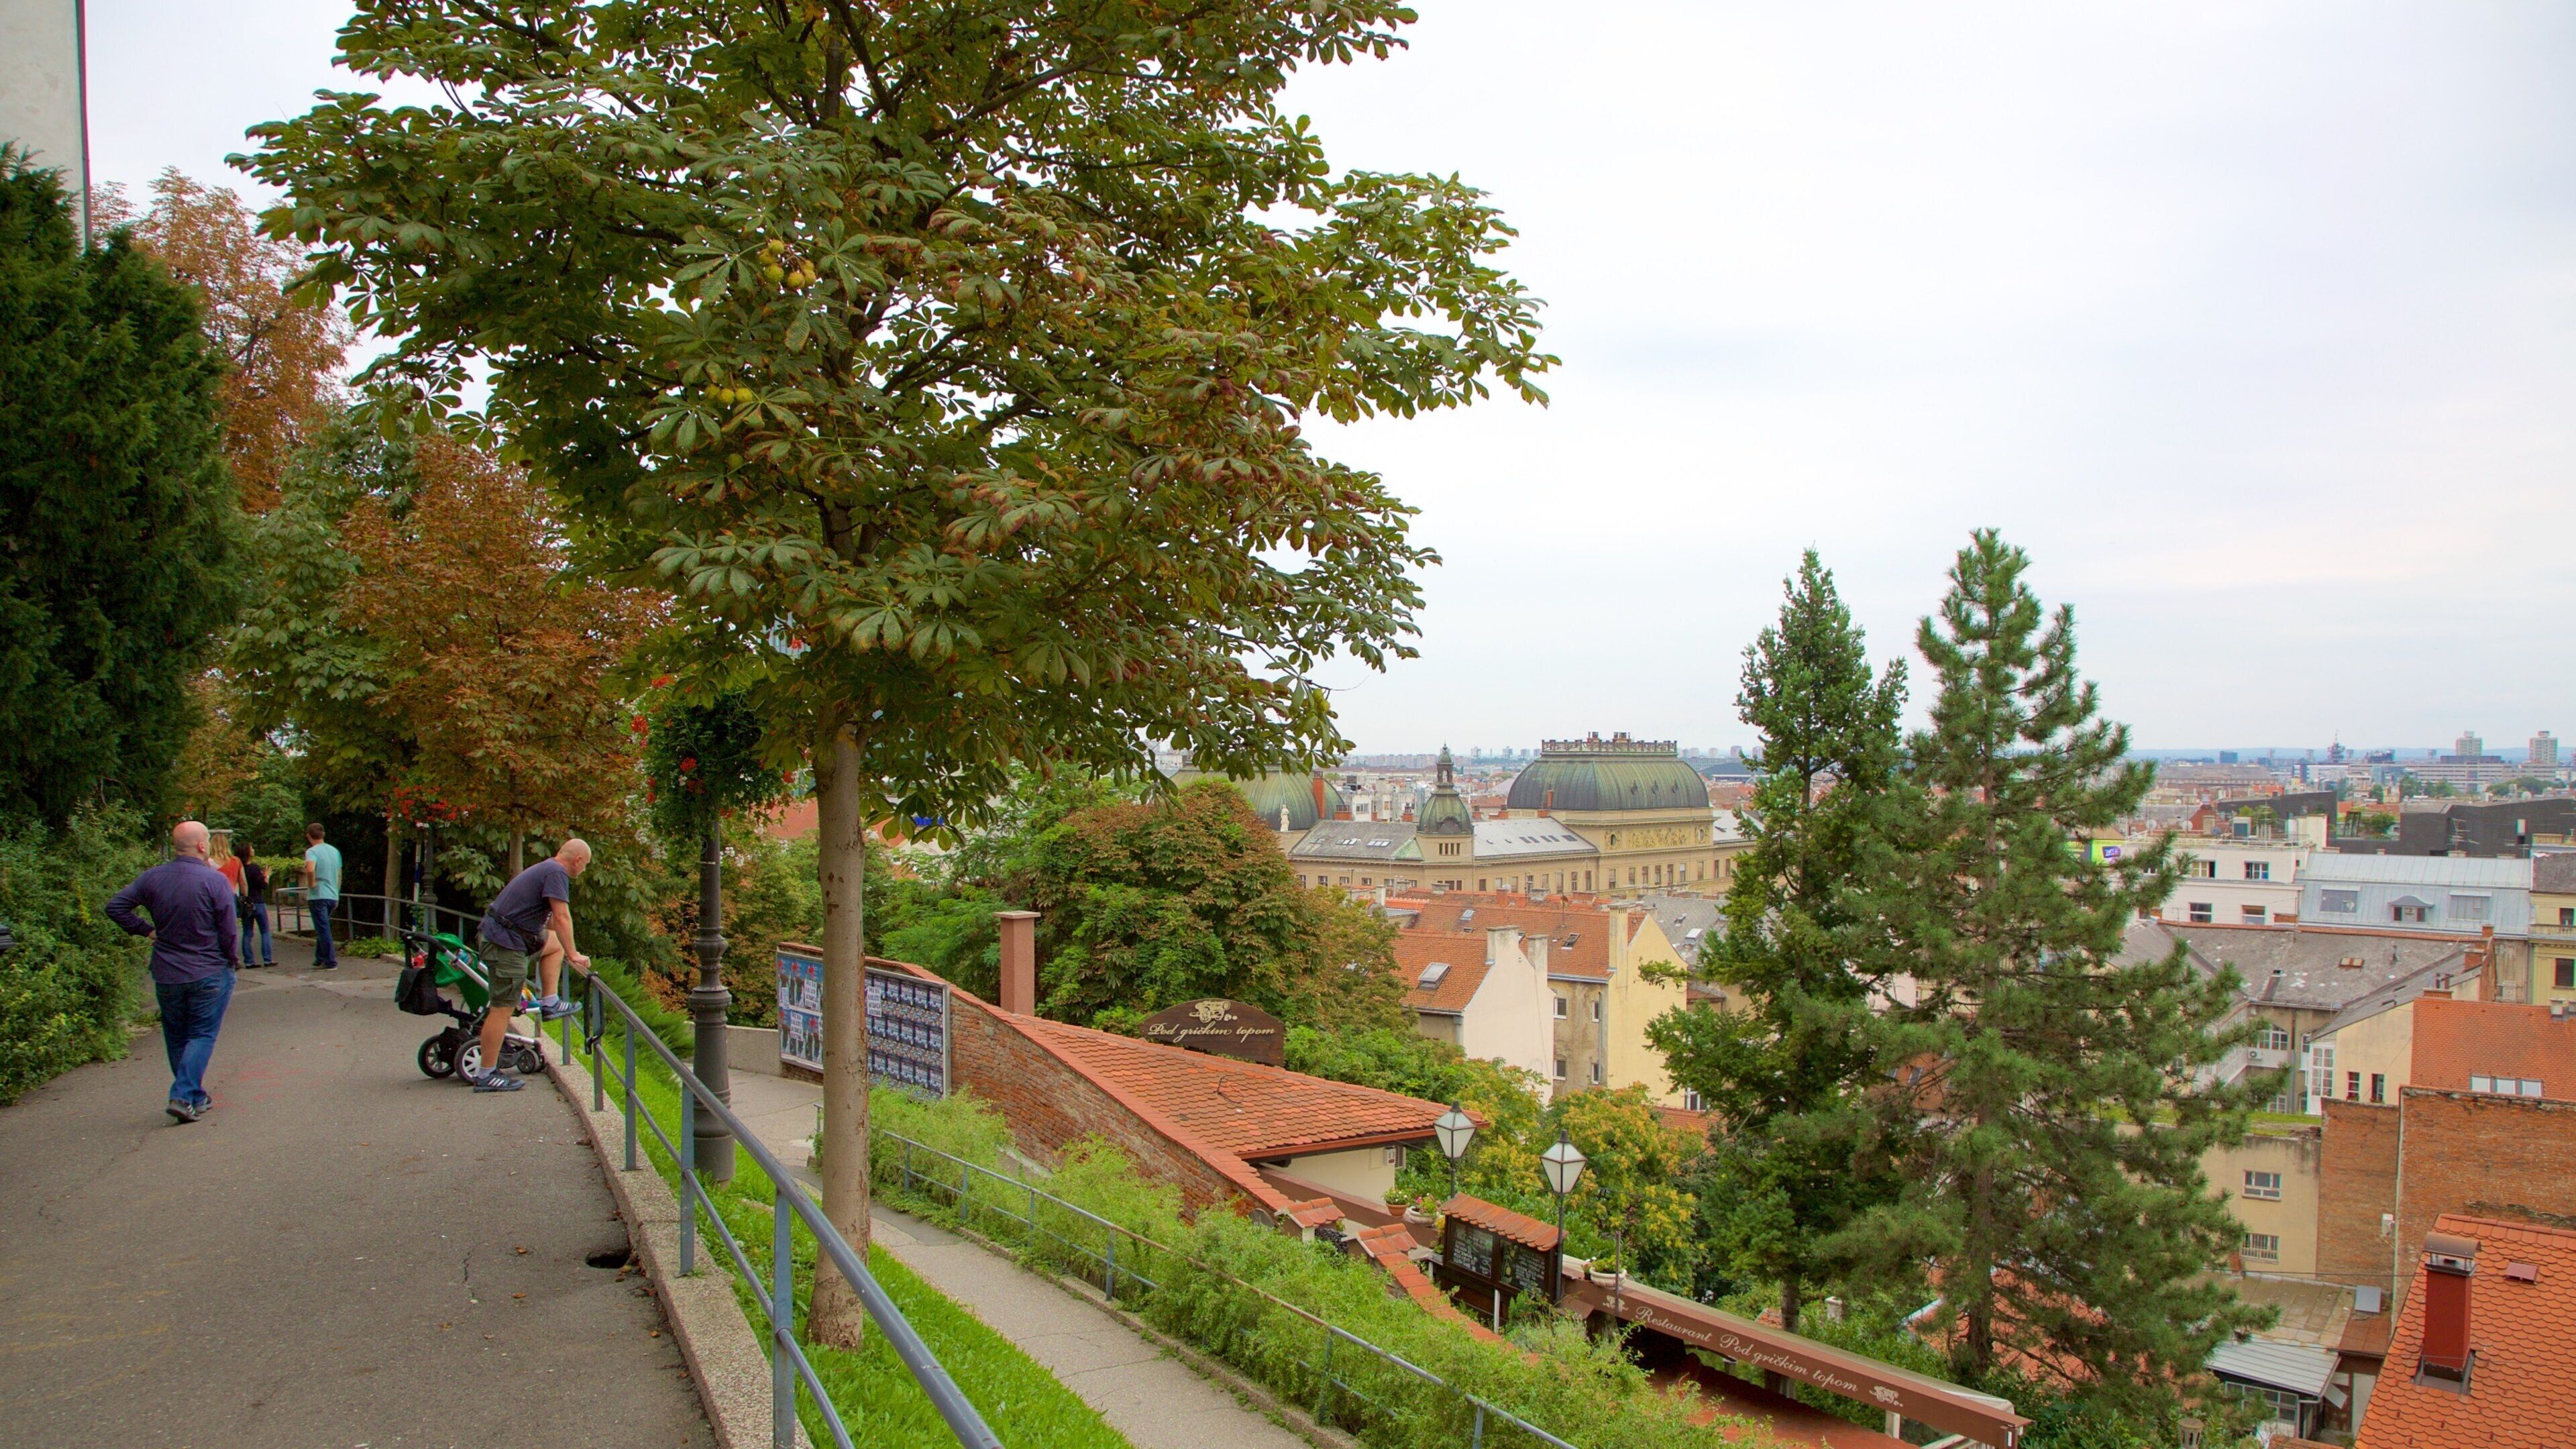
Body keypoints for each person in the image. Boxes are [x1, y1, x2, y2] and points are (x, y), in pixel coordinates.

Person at [106, 821, 241, 1122]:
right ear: (203, 846)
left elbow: (116, 907)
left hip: (168, 970)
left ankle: (194, 1096)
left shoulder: (153, 878)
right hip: (208, 969)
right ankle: (182, 1095)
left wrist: (147, 931)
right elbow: (229, 930)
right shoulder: (214, 881)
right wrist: (231, 960)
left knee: (177, 1035)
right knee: (202, 1034)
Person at [468, 839, 591, 1092]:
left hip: (507, 938)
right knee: (502, 1009)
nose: (584, 871)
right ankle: (486, 1074)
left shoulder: (547, 868)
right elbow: (561, 916)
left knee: (554, 943)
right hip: (505, 944)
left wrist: (566, 949)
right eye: (586, 865)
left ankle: (550, 1002)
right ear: (577, 860)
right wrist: (574, 954)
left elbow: (547, 924)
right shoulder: (558, 872)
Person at [301, 822, 342, 969]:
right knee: (322, 926)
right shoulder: (334, 851)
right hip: (332, 894)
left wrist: (311, 883)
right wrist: (337, 893)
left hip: (318, 895)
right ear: (323, 834)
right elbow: (339, 874)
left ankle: (331, 961)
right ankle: (319, 957)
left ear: (308, 836)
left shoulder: (312, 852)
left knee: (323, 929)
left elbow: (311, 869)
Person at [233, 839, 276, 968]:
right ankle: (267, 959)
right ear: (248, 852)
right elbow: (263, 886)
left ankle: (249, 960)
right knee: (264, 931)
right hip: (257, 901)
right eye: (251, 848)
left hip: (245, 902)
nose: (253, 850)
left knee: (247, 932)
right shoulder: (254, 868)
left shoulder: (239, 868)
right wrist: (266, 876)